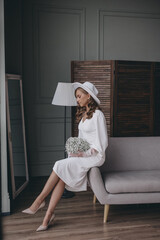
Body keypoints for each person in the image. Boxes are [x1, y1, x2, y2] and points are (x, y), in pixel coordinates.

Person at [22, 81, 108, 232]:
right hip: (83, 154)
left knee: (58, 165)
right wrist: (74, 152)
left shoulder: (98, 115)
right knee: (62, 173)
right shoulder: (83, 115)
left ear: (89, 96)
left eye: (79, 96)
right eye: (76, 97)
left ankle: (39, 200)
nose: (77, 99)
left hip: (95, 156)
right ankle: (47, 216)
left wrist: (84, 153)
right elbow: (82, 141)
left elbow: (102, 143)